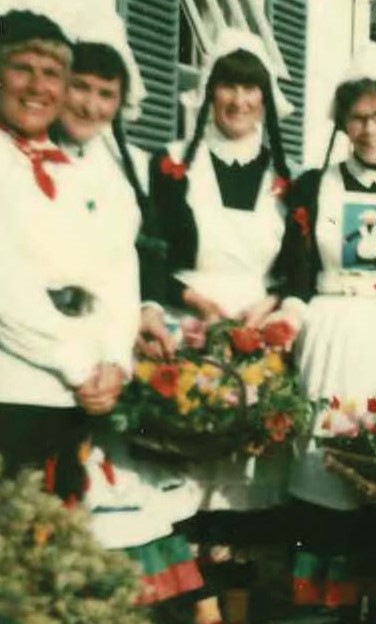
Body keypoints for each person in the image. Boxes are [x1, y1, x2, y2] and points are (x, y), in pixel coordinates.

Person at [56, 7, 207, 616]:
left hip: (109, 366)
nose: (92, 106)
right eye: (82, 89)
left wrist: (142, 313)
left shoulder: (116, 171)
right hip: (57, 360)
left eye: (106, 94)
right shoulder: (32, 159)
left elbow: (128, 260)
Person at [280, 41, 376, 624]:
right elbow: (296, 272)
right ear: (342, 122)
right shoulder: (311, 185)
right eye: (359, 116)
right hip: (331, 341)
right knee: (327, 476)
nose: (371, 129)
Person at [147, 27, 295, 623]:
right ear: (209, 92)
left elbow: (297, 268)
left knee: (244, 488)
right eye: (227, 86)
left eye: (250, 87)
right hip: (190, 336)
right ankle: (203, 613)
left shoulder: (289, 177)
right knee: (190, 483)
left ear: (265, 97)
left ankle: (235, 611)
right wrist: (201, 306)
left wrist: (268, 309)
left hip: (259, 341)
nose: (238, 100)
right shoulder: (172, 165)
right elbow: (150, 256)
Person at [0, 4, 134, 502]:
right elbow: (7, 287)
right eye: (22, 69)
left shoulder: (75, 170)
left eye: (52, 74)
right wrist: (78, 364)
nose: (38, 87)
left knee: (55, 558)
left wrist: (114, 361)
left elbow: (115, 269)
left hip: (70, 398)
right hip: (11, 389)